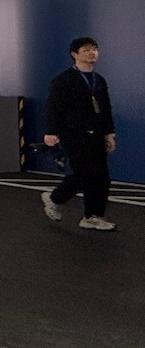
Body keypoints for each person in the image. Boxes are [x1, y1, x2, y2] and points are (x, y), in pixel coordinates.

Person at [42, 36, 117, 231]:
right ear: (74, 54)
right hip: (73, 134)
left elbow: (105, 108)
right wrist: (51, 131)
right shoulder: (64, 80)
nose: (92, 53)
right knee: (85, 174)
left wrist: (109, 133)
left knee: (101, 177)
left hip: (96, 133)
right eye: (86, 50)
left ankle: (93, 216)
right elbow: (53, 107)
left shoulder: (99, 80)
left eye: (94, 49)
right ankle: (55, 197)